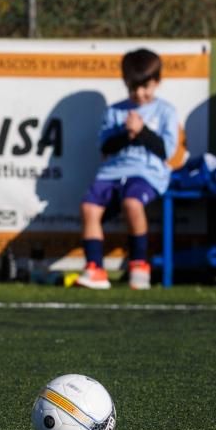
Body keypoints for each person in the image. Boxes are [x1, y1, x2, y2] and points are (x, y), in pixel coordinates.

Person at [76, 49, 179, 290]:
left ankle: (139, 264)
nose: (139, 94)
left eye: (145, 87)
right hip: (111, 172)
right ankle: (95, 268)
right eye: (133, 88)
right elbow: (105, 146)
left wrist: (141, 131)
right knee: (89, 207)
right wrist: (126, 133)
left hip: (146, 173)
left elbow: (166, 151)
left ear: (157, 83)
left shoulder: (166, 111)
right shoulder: (115, 111)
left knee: (132, 203)